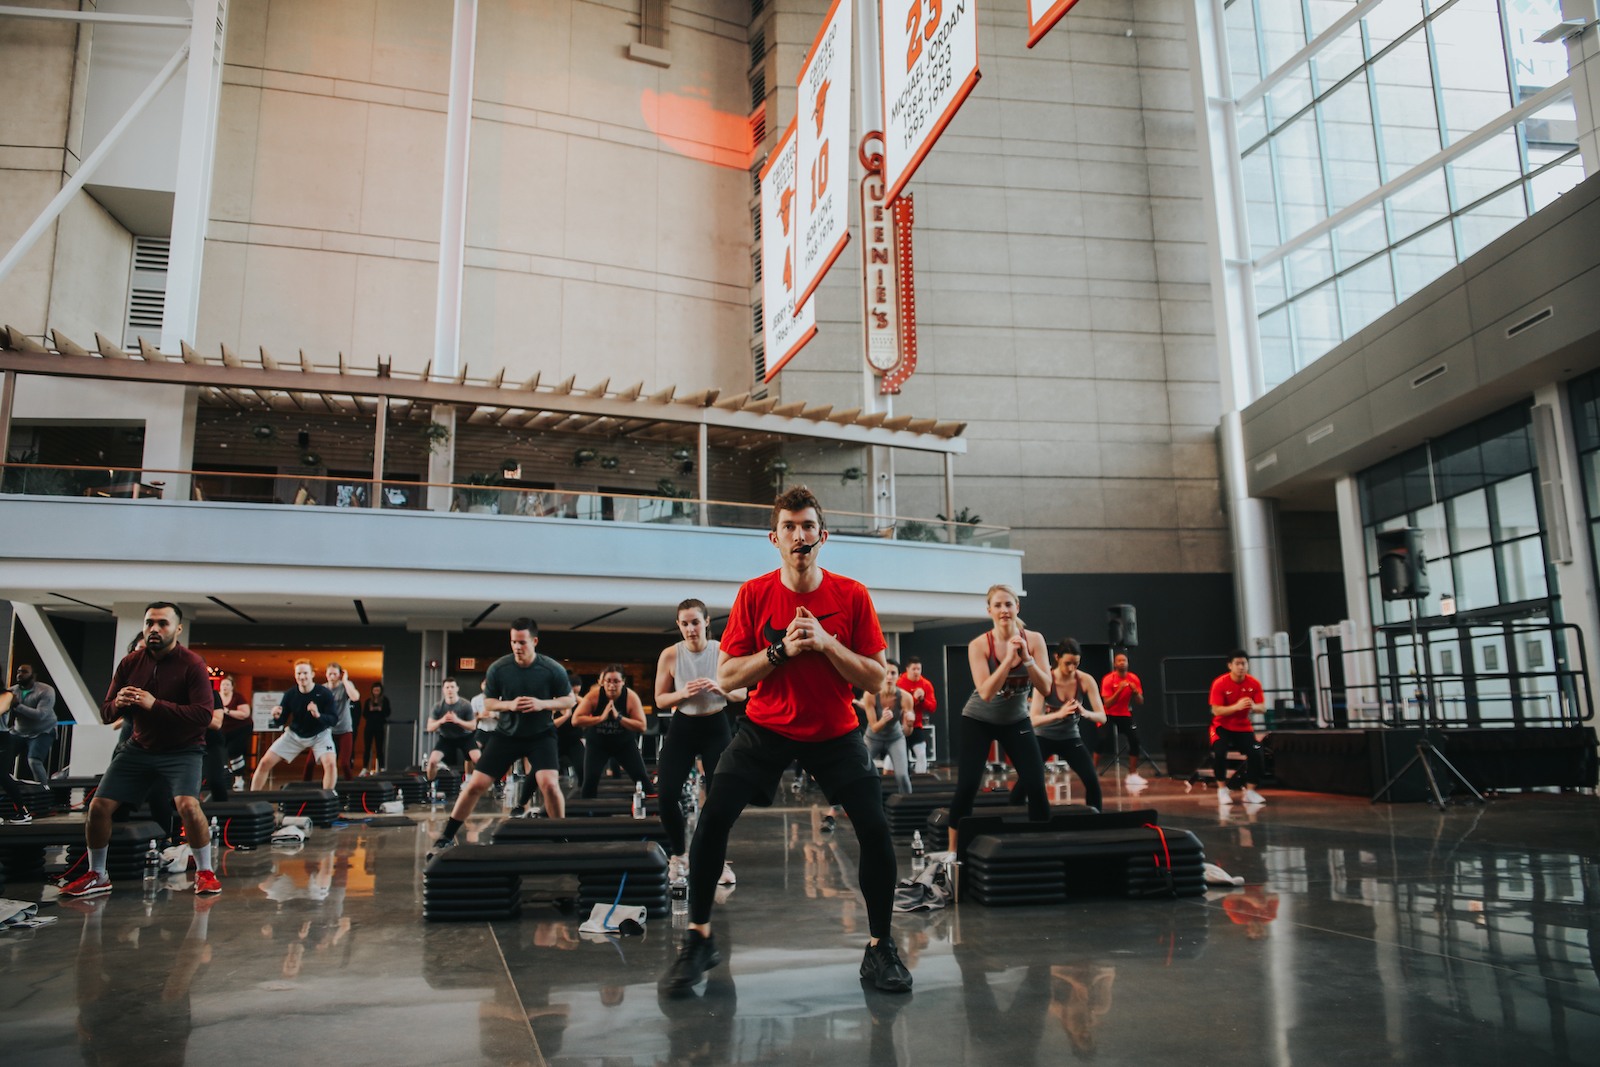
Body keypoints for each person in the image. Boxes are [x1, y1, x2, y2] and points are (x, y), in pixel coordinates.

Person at [660, 485, 912, 996]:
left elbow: (873, 678)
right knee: (711, 820)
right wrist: (780, 652)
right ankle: (699, 937)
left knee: (875, 830)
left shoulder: (852, 595)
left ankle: (880, 945)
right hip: (765, 727)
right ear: (775, 538)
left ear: (824, 535)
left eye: (808, 526)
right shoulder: (754, 594)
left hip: (835, 730)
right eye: (790, 527)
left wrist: (824, 641)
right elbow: (728, 677)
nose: (800, 535)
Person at [61, 602, 222, 897]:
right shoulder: (130, 664)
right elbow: (106, 714)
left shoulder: (192, 664)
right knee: (98, 807)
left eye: (162, 623)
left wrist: (155, 705)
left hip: (182, 750)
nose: (155, 629)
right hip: (138, 748)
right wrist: (118, 704)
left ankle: (205, 872)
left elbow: (203, 716)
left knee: (188, 805)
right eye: (150, 623)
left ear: (177, 629)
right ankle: (97, 874)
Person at [430, 618, 575, 855]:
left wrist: (542, 704)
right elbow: (488, 702)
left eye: (522, 642)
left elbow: (569, 700)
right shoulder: (499, 668)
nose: (517, 647)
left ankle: (560, 837)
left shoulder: (551, 669)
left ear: (534, 641)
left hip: (541, 735)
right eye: (513, 642)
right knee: (476, 785)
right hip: (507, 735)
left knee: (549, 783)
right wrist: (510, 705)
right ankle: (447, 835)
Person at [947, 584, 1053, 851]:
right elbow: (985, 692)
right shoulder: (979, 645)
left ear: (1017, 607)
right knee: (968, 785)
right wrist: (1007, 661)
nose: (1004, 610)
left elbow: (1046, 688)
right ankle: (952, 852)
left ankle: (1042, 847)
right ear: (989, 610)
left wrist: (1027, 659)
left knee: (1036, 783)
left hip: (1016, 720)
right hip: (978, 720)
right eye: (998, 605)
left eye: (1009, 604)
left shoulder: (1035, 639)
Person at [653, 598, 747, 874]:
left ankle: (716, 860)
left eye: (695, 622)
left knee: (720, 799)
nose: (691, 628)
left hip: (716, 726)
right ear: (679, 626)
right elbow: (660, 699)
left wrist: (720, 689)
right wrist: (682, 693)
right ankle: (679, 855)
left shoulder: (722, 652)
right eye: (685, 624)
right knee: (667, 795)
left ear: (706, 622)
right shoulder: (670, 655)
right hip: (683, 726)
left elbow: (741, 693)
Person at [1015, 639, 1105, 811]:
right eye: (1067, 663)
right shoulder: (1046, 680)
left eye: (1076, 664)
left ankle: (1096, 822)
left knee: (1092, 781)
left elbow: (1102, 717)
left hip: (1070, 738)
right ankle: (1012, 817)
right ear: (1057, 657)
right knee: (1025, 782)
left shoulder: (1085, 680)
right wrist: (1059, 714)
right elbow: (1033, 719)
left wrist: (1084, 712)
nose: (1071, 668)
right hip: (1043, 737)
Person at [251, 660, 339, 791]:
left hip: (320, 734)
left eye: (305, 673)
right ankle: (253, 797)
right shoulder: (290, 694)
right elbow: (281, 721)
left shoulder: (324, 693)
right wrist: (275, 717)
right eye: (299, 673)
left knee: (331, 764)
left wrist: (318, 715)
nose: (302, 677)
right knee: (264, 763)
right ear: (295, 675)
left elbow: (333, 720)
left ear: (312, 674)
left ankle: (329, 798)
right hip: (294, 734)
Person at [574, 667, 650, 798]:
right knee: (590, 779)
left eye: (616, 681)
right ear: (602, 682)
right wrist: (600, 718)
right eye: (608, 681)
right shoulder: (594, 696)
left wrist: (619, 717)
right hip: (598, 743)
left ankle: (655, 812)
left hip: (624, 743)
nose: (611, 685)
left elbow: (642, 726)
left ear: (623, 682)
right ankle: (587, 815)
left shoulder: (630, 697)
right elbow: (576, 720)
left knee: (641, 777)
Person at [1209, 650, 1267, 806]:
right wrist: (1236, 707)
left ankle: (1250, 791)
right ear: (1230, 666)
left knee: (1257, 753)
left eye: (1244, 663)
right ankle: (1222, 788)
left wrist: (1254, 706)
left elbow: (1263, 707)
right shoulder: (1220, 683)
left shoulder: (1254, 683)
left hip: (1243, 727)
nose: (1241, 667)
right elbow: (1216, 710)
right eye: (1238, 664)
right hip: (1222, 726)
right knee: (1220, 752)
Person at [860, 660, 915, 795]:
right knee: (860, 772)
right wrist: (884, 719)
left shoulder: (905, 697)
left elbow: (907, 733)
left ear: (899, 676)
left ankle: (908, 805)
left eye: (893, 673)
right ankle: (846, 806)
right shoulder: (870, 695)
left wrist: (909, 724)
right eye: (886, 673)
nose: (889, 677)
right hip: (873, 738)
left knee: (902, 776)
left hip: (895, 738)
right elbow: (874, 727)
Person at [1098, 651, 1146, 786]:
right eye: (1119, 661)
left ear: (1127, 663)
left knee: (1135, 739)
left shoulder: (1134, 678)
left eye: (1124, 660)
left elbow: (1140, 701)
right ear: (1114, 664)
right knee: (1102, 739)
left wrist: (1136, 692)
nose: (1122, 663)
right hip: (1108, 713)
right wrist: (1119, 691)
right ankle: (1093, 770)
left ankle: (1132, 773)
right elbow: (1107, 703)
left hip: (1124, 713)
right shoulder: (1108, 679)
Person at [6, 663, 58, 784]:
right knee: (3, 757)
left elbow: (40, 715)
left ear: (33, 676)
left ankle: (43, 790)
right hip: (19, 731)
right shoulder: (12, 691)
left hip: (42, 731)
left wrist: (17, 706)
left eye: (24, 672)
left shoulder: (45, 691)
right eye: (18, 671)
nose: (20, 675)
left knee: (34, 761)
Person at [425, 677, 480, 787]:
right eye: (447, 687)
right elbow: (430, 727)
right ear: (443, 690)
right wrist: (442, 720)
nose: (450, 690)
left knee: (478, 759)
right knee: (432, 761)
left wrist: (457, 721)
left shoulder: (465, 705)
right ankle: (430, 785)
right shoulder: (438, 706)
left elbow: (473, 726)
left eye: (452, 687)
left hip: (465, 737)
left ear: (457, 688)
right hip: (446, 738)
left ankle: (477, 784)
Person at [897, 655, 936, 773]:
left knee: (921, 753)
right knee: (898, 756)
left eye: (919, 669)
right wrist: (914, 699)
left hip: (916, 725)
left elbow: (933, 707)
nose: (916, 672)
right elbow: (897, 705)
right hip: (900, 725)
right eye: (914, 669)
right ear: (907, 669)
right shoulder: (899, 683)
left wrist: (922, 699)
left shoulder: (926, 684)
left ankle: (920, 780)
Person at [324, 662, 360, 781]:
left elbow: (355, 697)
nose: (332, 676)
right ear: (326, 675)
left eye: (335, 674)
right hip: (328, 731)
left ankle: (351, 787)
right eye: (330, 674)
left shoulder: (345, 685)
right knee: (327, 763)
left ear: (339, 675)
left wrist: (345, 680)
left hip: (345, 730)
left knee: (345, 763)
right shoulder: (323, 689)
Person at [215, 674, 253, 786]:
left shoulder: (238, 697)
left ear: (232, 687)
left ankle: (238, 778)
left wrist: (227, 711)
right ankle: (225, 775)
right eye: (223, 684)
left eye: (227, 684)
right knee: (220, 751)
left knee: (234, 751)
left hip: (240, 728)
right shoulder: (216, 696)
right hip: (223, 730)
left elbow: (245, 713)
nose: (224, 687)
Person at [359, 681, 391, 774]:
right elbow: (364, 714)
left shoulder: (385, 700)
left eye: (378, 690)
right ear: (372, 691)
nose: (376, 692)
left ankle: (381, 767)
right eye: (375, 690)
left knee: (379, 748)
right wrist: (371, 710)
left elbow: (388, 712)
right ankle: (365, 767)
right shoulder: (368, 701)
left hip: (379, 726)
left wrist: (381, 710)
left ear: (381, 691)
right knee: (367, 747)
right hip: (369, 726)